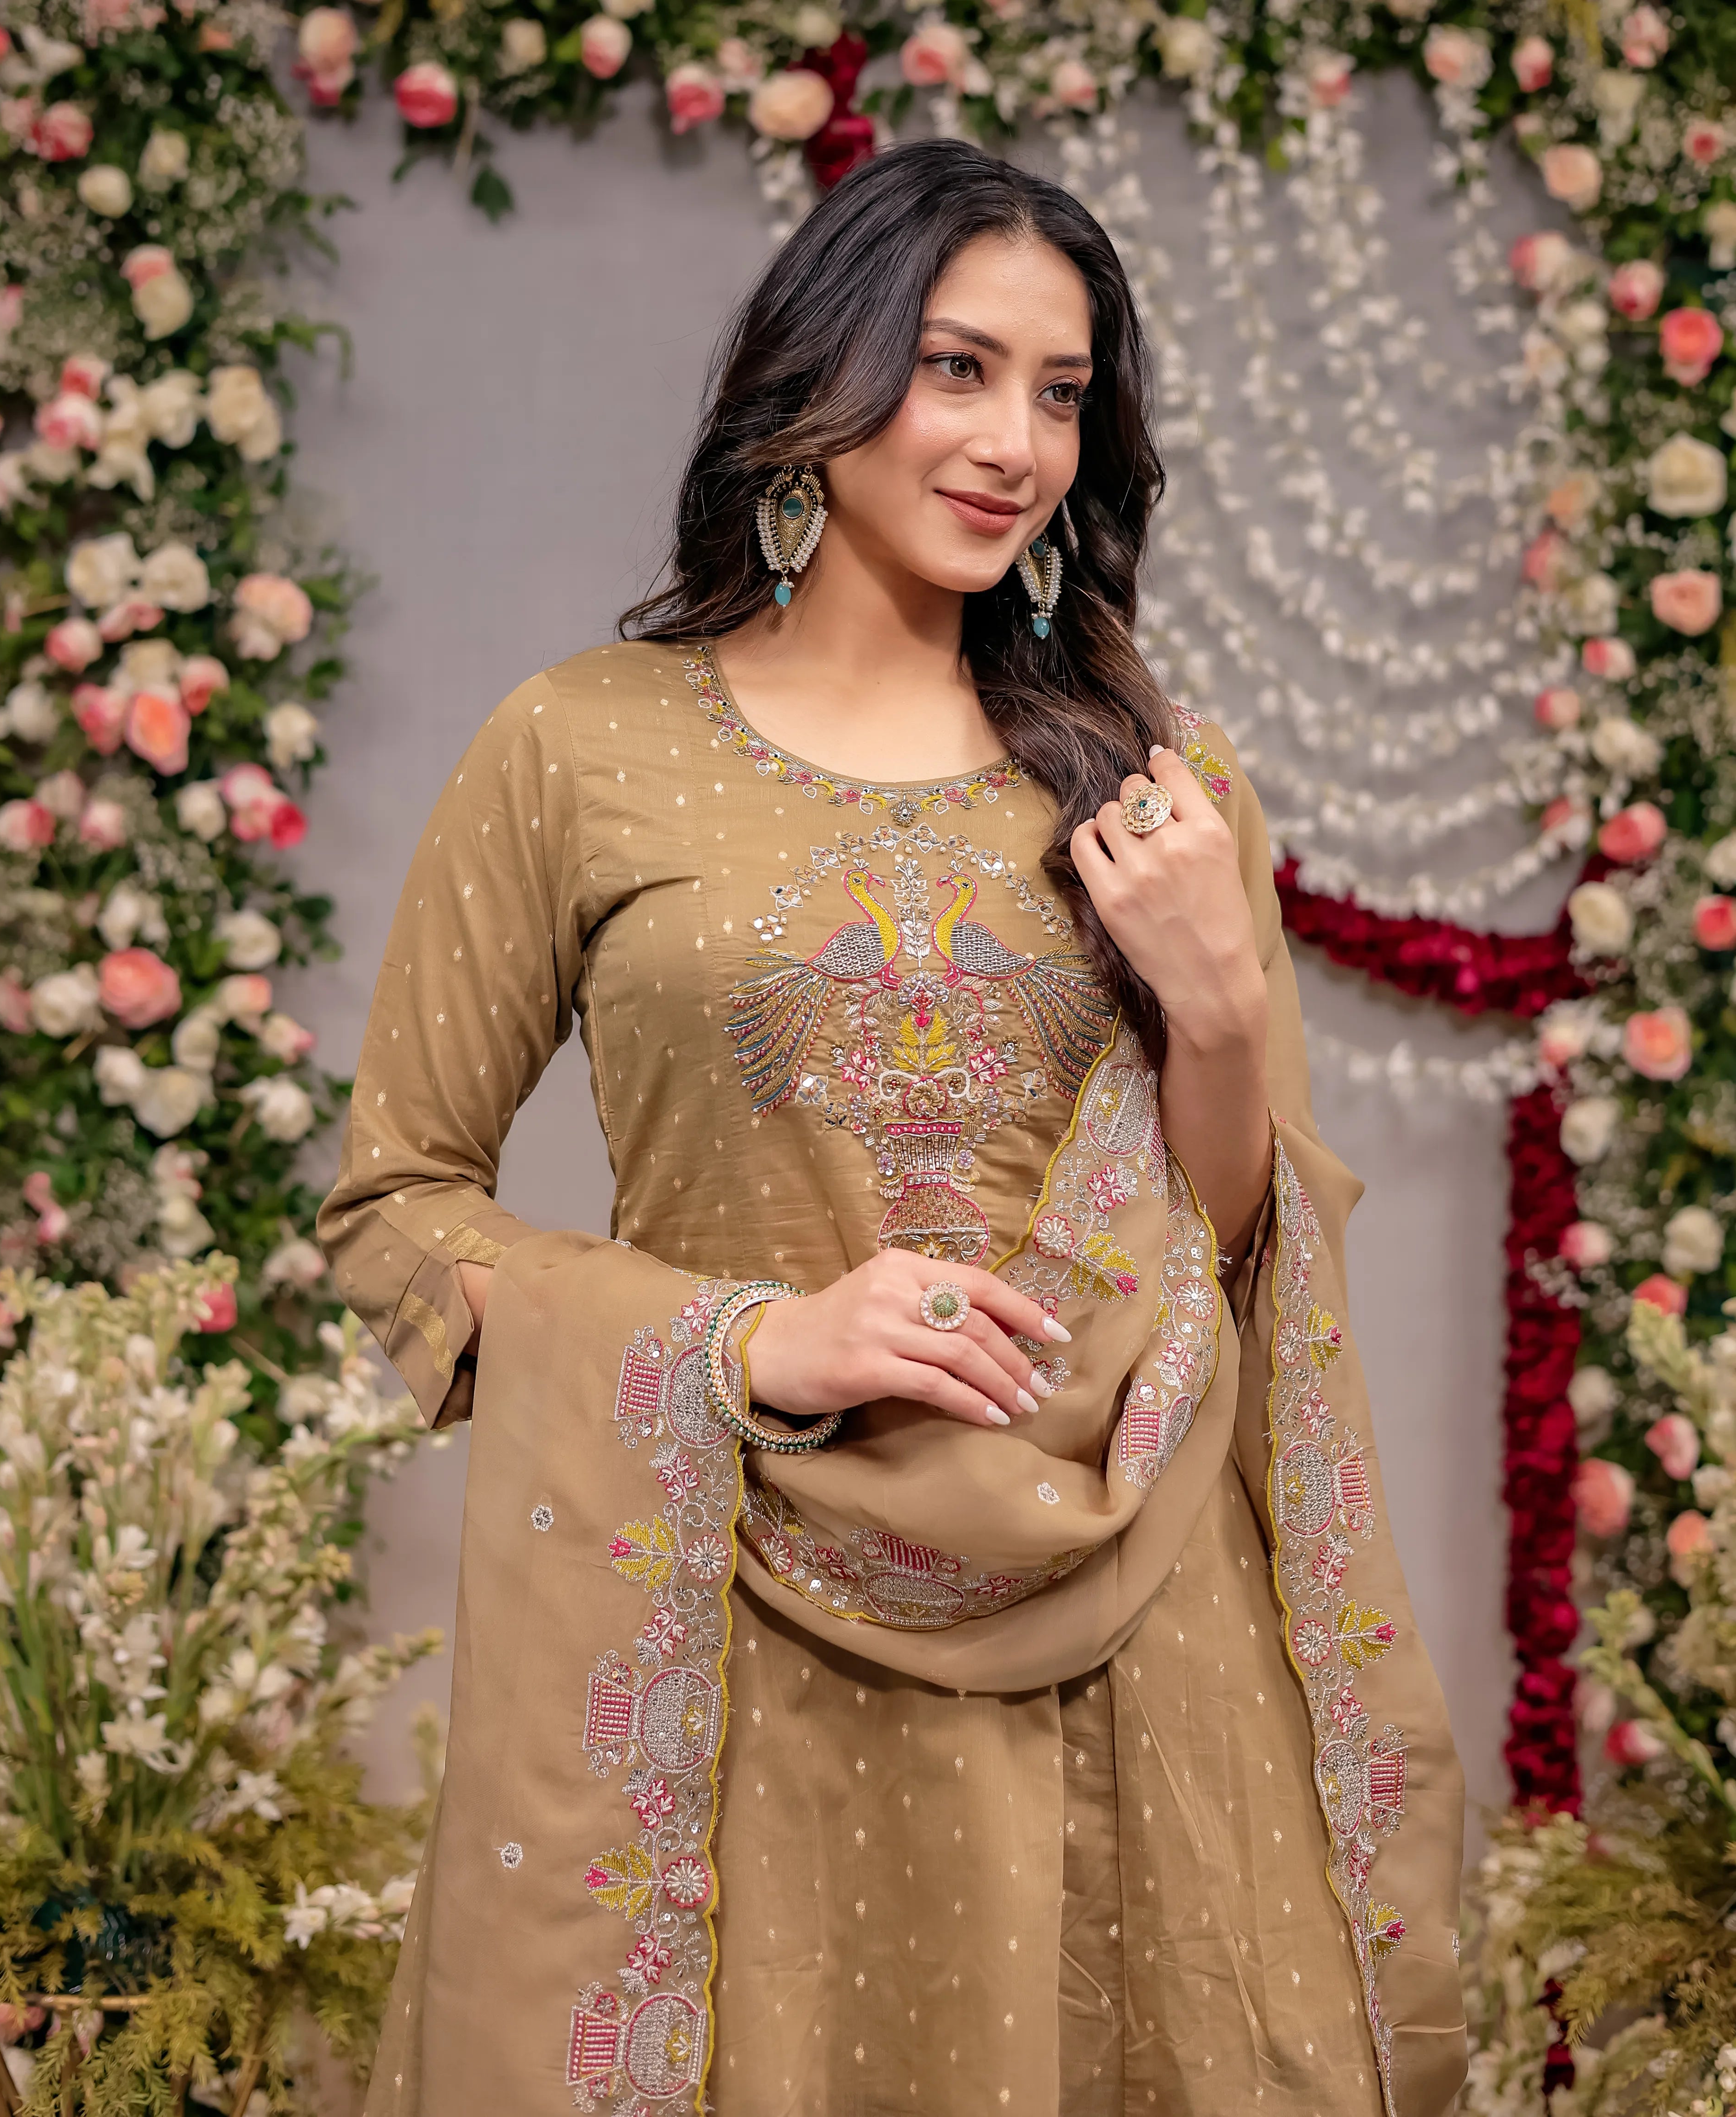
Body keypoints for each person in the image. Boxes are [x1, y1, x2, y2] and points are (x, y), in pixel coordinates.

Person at [319, 137, 1467, 2117]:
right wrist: (747, 1341)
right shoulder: (581, 745)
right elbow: (392, 1211)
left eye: (1058, 390)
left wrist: (1213, 1000)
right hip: (742, 1641)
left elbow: (1216, 1256)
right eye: (955, 366)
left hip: (1124, 1635)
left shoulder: (1159, 795)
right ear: (815, 379)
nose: (1011, 437)